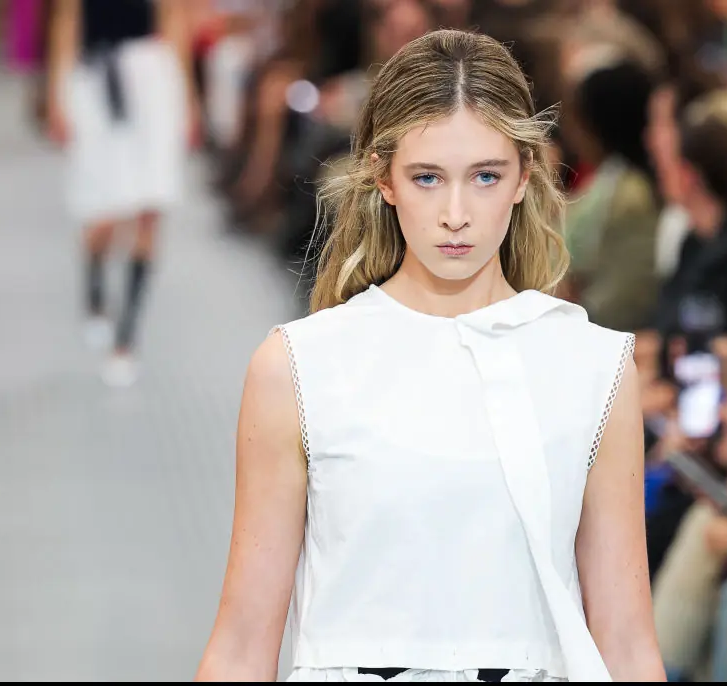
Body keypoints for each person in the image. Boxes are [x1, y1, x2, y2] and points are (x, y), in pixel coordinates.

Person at [195, 29, 665, 683]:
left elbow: (627, 642)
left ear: (524, 177)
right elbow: (243, 643)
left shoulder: (594, 367)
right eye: (426, 177)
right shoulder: (299, 368)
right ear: (384, 179)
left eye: (485, 177)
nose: (455, 214)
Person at [46, 0, 198, 387]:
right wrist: (56, 96)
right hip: (94, 80)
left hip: (153, 78)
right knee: (102, 215)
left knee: (150, 206)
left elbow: (174, 18)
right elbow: (67, 21)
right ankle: (95, 288)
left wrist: (189, 101)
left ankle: (126, 338)